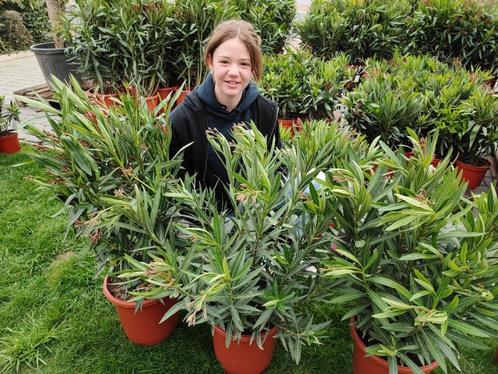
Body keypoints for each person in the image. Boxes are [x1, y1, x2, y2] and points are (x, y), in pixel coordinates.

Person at [169, 20, 281, 209]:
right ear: (210, 61)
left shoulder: (265, 112)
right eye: (224, 62)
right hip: (203, 223)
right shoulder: (183, 119)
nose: (234, 72)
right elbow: (174, 184)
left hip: (255, 216)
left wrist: (262, 194)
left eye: (244, 64)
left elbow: (278, 166)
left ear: (253, 67)